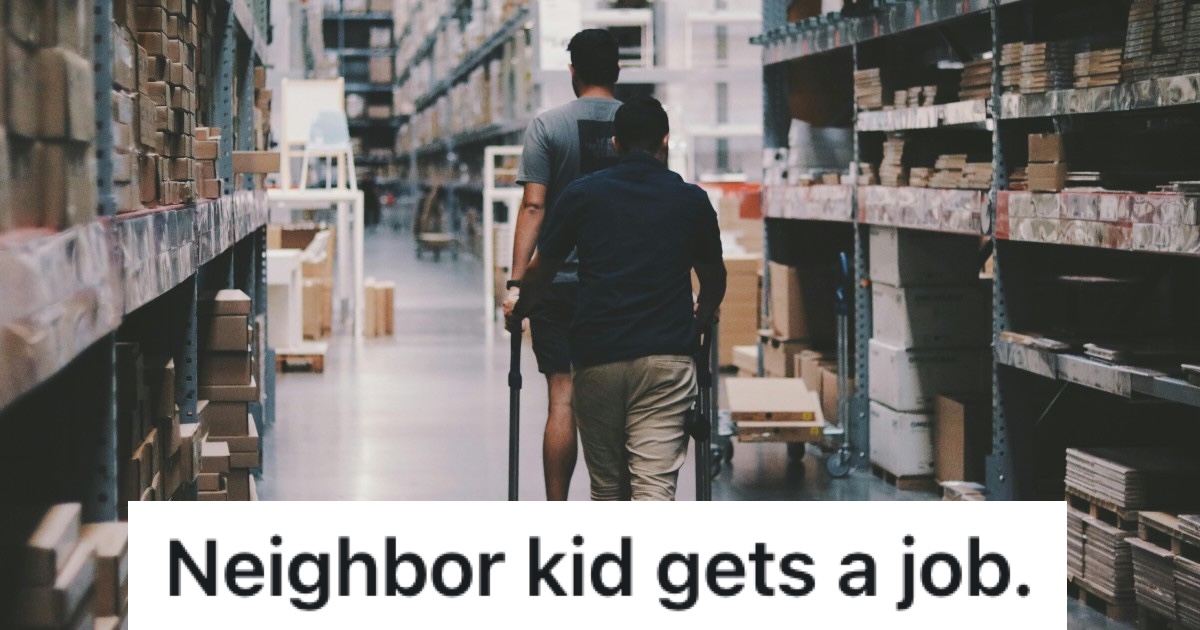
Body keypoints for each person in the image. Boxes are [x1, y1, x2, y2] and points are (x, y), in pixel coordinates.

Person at [506, 97, 728, 501]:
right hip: (666, 357)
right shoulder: (691, 200)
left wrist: (520, 306)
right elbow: (714, 279)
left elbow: (543, 269)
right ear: (665, 141)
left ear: (615, 144)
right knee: (653, 487)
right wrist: (703, 313)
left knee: (608, 489)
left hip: (598, 357)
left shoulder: (581, 195)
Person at [505, 29, 623, 501]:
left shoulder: (547, 126)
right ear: (618, 70)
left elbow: (534, 206)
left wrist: (517, 284)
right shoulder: (637, 125)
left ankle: (557, 509)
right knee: (615, 399)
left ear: (572, 71)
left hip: (557, 282)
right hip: (616, 283)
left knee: (562, 397)